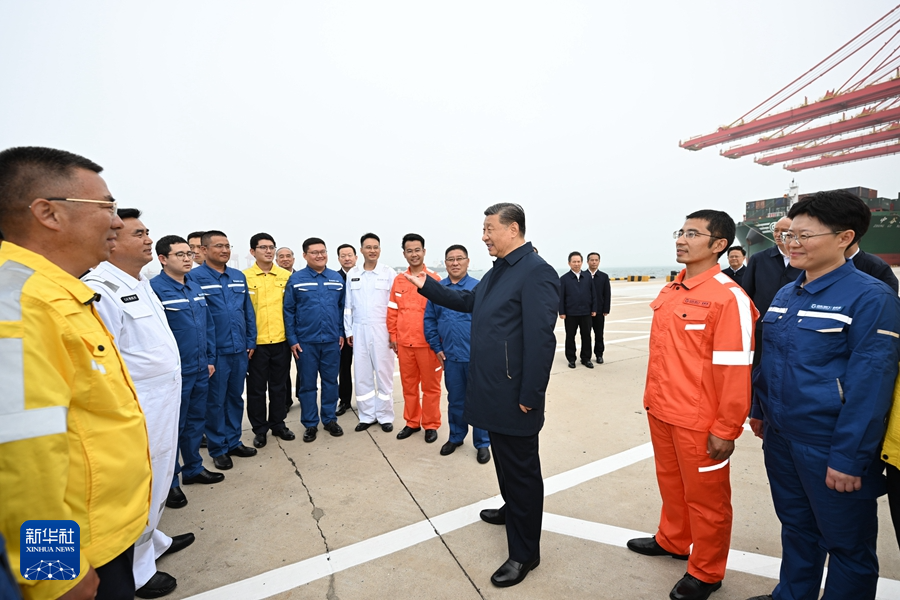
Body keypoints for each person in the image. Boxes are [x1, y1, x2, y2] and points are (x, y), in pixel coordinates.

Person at [0, 146, 151, 600]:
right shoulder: (21, 305)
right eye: (105, 206)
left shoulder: (56, 293)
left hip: (102, 531)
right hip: (80, 554)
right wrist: (52, 570)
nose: (116, 222)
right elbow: (21, 450)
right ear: (48, 213)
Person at [747, 191, 900, 600]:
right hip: (781, 438)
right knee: (797, 527)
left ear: (844, 237)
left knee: (847, 546)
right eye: (788, 235)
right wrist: (759, 410)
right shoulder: (787, 293)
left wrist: (849, 458)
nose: (791, 243)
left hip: (830, 444)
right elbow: (769, 358)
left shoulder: (872, 297)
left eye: (804, 235)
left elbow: (872, 385)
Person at [404, 203, 558, 588]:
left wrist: (531, 393)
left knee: (522, 471)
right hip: (492, 387)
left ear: (513, 229)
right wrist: (428, 286)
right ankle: (511, 508)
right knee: (504, 461)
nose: (484, 236)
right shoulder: (499, 270)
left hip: (515, 393)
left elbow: (542, 340)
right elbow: (469, 302)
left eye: (490, 229)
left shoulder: (535, 271)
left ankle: (525, 553)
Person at [627, 210, 757, 600]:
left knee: (708, 500)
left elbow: (736, 369)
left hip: (700, 421)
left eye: (693, 234)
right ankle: (672, 539)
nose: (681, 240)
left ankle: (706, 571)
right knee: (671, 485)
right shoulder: (672, 290)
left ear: (719, 245)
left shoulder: (729, 297)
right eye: (681, 232)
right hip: (662, 410)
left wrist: (726, 428)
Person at [82, 210, 194, 598]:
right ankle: (139, 571)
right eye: (138, 234)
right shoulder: (100, 289)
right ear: (112, 242)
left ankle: (153, 541)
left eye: (147, 232)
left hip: (164, 397)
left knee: (161, 474)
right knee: (144, 482)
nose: (148, 239)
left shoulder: (140, 282)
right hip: (141, 405)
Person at [149, 235, 224, 511]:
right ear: (162, 259)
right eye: (179, 254)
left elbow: (208, 325)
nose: (187, 259)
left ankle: (193, 468)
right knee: (172, 428)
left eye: (189, 254)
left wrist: (210, 358)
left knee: (195, 421)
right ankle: (170, 483)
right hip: (175, 372)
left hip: (201, 367)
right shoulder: (154, 290)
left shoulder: (194, 286)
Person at [189, 230, 258, 470]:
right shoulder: (194, 278)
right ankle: (218, 448)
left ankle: (233, 441)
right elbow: (198, 319)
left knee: (235, 398)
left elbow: (247, 311)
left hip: (239, 349)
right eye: (219, 246)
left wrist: (251, 341)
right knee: (215, 402)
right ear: (204, 250)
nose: (225, 250)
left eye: (227, 246)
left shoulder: (238, 276)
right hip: (215, 352)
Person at [423, 244, 491, 463]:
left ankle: (482, 443)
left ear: (468, 262)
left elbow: (489, 323)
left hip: (476, 357)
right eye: (450, 259)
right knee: (455, 400)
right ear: (445, 263)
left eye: (459, 258)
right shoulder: (437, 289)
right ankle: (456, 437)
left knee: (480, 401)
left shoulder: (477, 288)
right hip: (451, 357)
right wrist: (437, 348)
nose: (455, 263)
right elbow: (429, 320)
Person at [284, 237, 346, 442]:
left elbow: (341, 308)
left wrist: (340, 333)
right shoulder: (296, 279)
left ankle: (329, 419)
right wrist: (292, 339)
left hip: (331, 341)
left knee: (331, 382)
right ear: (305, 255)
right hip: (305, 342)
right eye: (314, 252)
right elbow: (289, 310)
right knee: (307, 385)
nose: (320, 255)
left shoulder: (336, 279)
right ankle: (310, 423)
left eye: (323, 251)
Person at [389, 233, 442, 443]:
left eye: (417, 250)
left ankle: (431, 424)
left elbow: (442, 313)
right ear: (404, 254)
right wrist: (393, 335)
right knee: (409, 386)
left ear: (424, 251)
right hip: (404, 344)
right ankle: (412, 422)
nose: (414, 254)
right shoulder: (399, 280)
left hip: (428, 345)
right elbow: (392, 310)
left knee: (431, 388)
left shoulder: (435, 280)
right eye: (409, 251)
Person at [244, 233, 294, 448]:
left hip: (281, 341)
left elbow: (291, 309)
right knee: (256, 389)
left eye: (271, 247)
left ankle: (278, 424)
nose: (268, 251)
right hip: (256, 345)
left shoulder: (285, 276)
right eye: (263, 247)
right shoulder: (244, 277)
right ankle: (260, 429)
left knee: (279, 387)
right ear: (252, 251)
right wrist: (248, 341)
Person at [344, 233, 396, 432]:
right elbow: (348, 305)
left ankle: (385, 416)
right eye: (368, 247)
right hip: (359, 329)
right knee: (362, 373)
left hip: (382, 329)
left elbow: (394, 305)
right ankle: (367, 415)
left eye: (375, 247)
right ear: (361, 250)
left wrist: (393, 332)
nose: (372, 250)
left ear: (380, 250)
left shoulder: (388, 273)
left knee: (384, 373)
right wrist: (348, 329)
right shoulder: (353, 274)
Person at [740, 216, 801, 370]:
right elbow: (746, 293)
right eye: (776, 230)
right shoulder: (758, 259)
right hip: (762, 327)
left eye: (784, 231)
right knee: (758, 367)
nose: (778, 234)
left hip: (795, 327)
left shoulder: (806, 260)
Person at [558, 251, 597, 369]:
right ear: (569, 263)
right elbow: (561, 297)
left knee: (586, 336)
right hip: (570, 313)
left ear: (582, 262)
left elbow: (593, 294)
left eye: (578, 261)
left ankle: (586, 358)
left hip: (586, 312)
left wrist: (594, 308)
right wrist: (562, 312)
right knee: (570, 336)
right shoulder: (564, 279)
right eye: (574, 262)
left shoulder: (588, 277)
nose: (576, 264)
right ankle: (571, 359)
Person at [335, 243, 357, 416]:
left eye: (350, 255)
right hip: (344, 331)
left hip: (364, 328)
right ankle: (345, 400)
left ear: (356, 257)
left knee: (368, 367)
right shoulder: (335, 278)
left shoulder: (362, 275)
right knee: (344, 367)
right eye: (343, 256)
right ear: (338, 259)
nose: (347, 258)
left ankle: (370, 402)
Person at [275, 246, 298, 411]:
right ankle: (285, 400)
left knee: (303, 367)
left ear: (293, 259)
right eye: (281, 257)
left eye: (288, 256)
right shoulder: (273, 278)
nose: (285, 259)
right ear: (276, 260)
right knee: (282, 369)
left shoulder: (300, 277)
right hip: (279, 330)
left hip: (300, 331)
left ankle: (302, 395)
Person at [586, 252, 611, 364]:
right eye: (592, 260)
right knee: (586, 335)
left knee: (599, 334)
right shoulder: (583, 275)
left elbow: (607, 294)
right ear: (587, 262)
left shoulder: (604, 277)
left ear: (599, 262)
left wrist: (606, 309)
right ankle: (586, 356)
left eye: (596, 260)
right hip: (586, 311)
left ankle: (599, 354)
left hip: (600, 311)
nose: (594, 262)